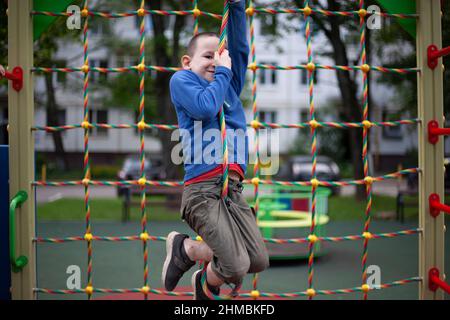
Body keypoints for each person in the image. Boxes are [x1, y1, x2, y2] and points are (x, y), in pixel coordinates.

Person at [162, 0, 269, 300]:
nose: (215, 62)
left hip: (231, 190)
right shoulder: (182, 81)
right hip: (202, 192)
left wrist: (236, 7)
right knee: (235, 266)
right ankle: (202, 277)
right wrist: (223, 71)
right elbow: (205, 107)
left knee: (257, 261)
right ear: (187, 62)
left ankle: (188, 251)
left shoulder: (229, 85)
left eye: (220, 57)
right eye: (208, 56)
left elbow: (239, 47)